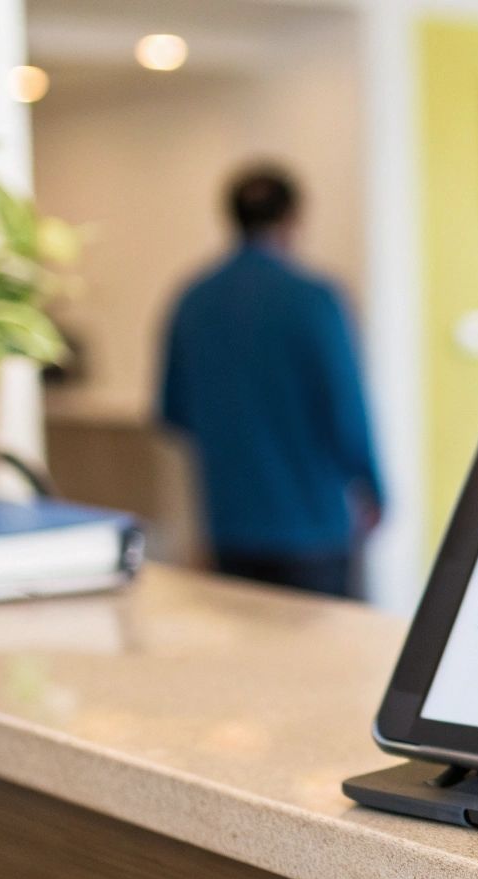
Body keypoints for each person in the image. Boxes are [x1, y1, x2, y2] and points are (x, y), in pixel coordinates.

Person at [159, 165, 382, 598]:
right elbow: (346, 411)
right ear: (294, 220)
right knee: (326, 658)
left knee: (248, 656)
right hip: (314, 527)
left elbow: (173, 410)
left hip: (229, 524)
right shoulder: (315, 299)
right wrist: (374, 488)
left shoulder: (193, 300)